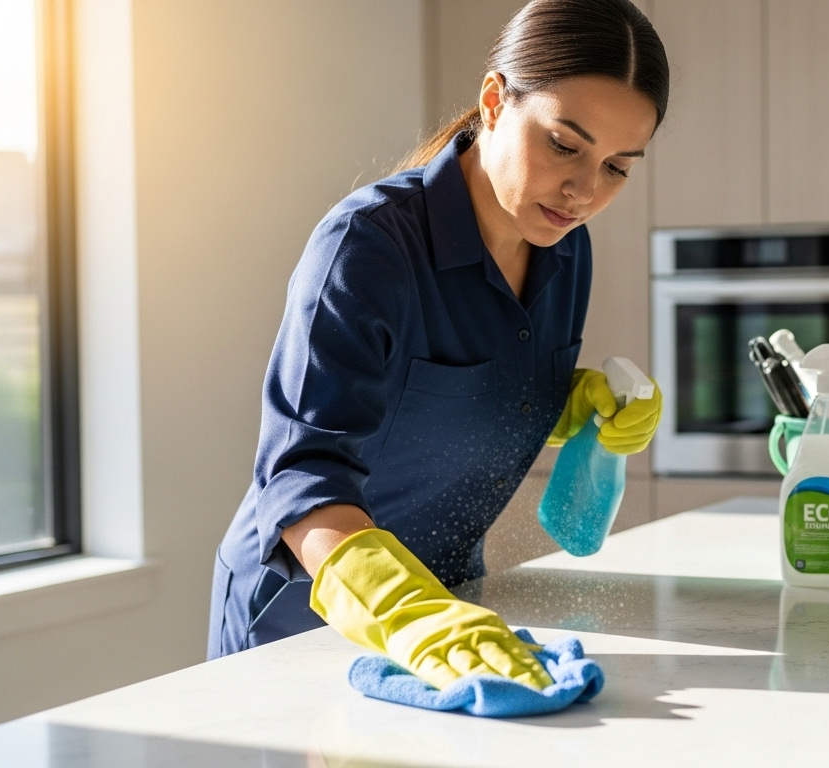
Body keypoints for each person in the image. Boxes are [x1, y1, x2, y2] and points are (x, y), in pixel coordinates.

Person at [208, 0, 669, 693]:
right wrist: (410, 613)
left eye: (617, 168)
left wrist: (567, 404)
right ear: (493, 102)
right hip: (302, 627)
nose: (584, 191)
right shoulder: (367, 247)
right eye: (564, 145)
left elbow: (470, 385)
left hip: (459, 616)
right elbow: (301, 481)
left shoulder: (564, 249)